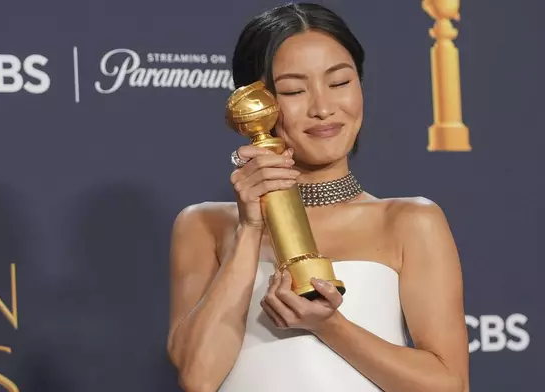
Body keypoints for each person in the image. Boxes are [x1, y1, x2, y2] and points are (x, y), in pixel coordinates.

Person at [166, 3, 469, 391]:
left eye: (340, 83)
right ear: (254, 103)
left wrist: (330, 326)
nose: (323, 109)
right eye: (293, 90)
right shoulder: (203, 225)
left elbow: (449, 385)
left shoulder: (411, 221)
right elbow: (198, 377)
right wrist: (249, 228)